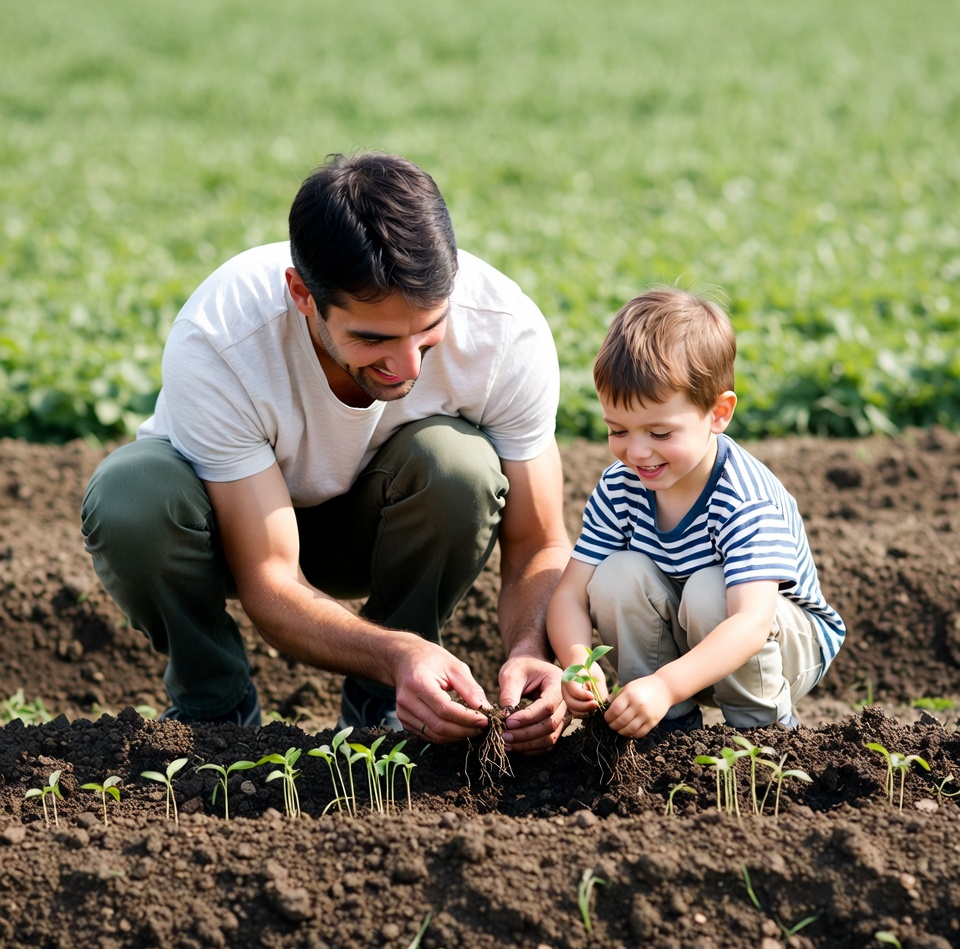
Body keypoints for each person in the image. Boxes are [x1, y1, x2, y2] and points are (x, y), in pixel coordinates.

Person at [81, 152, 572, 753]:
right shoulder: (222, 337)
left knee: (460, 467)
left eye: (428, 330)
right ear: (302, 294)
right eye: (373, 338)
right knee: (132, 497)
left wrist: (531, 649)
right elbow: (270, 577)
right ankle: (215, 706)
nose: (408, 365)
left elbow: (540, 542)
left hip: (383, 524)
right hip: (228, 534)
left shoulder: (505, 331)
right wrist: (395, 655)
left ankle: (388, 706)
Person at [548, 287, 845, 736]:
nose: (637, 451)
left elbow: (749, 623)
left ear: (718, 413)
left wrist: (666, 683)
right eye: (618, 430)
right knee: (614, 576)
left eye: (661, 433)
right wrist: (576, 663)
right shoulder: (620, 485)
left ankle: (761, 733)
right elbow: (571, 594)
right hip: (689, 641)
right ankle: (666, 730)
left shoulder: (743, 497)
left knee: (710, 589)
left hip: (781, 645)